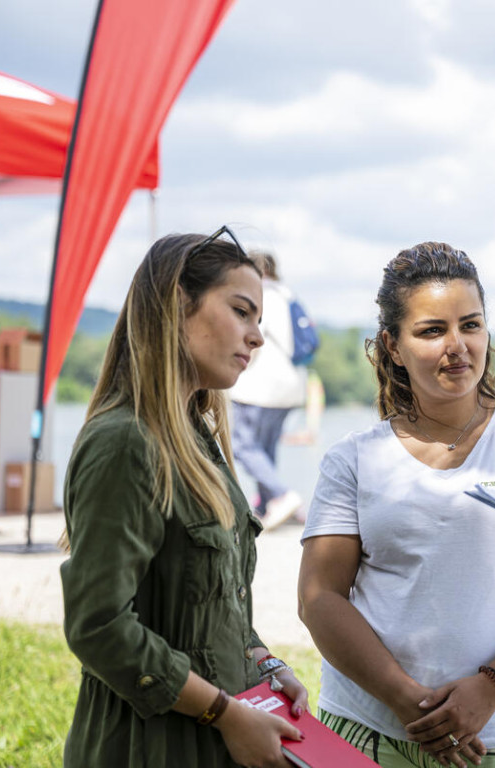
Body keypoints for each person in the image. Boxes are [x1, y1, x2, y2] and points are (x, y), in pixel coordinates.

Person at [298, 242, 495, 768]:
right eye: (432, 331)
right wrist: (407, 701)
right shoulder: (353, 459)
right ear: (393, 345)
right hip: (371, 732)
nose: (457, 346)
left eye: (470, 325)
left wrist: (492, 688)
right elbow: (320, 599)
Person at [59, 228, 310, 768]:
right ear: (177, 304)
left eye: (259, 319)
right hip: (145, 747)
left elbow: (213, 604)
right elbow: (98, 626)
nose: (257, 337)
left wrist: (263, 663)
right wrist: (224, 712)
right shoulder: (125, 441)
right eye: (242, 311)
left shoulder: (198, 443)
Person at [228, 250, 307, 530]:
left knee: (243, 445)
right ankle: (266, 505)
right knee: (266, 447)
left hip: (260, 385)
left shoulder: (260, 294)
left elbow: (252, 339)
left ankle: (282, 495)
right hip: (291, 386)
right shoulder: (288, 295)